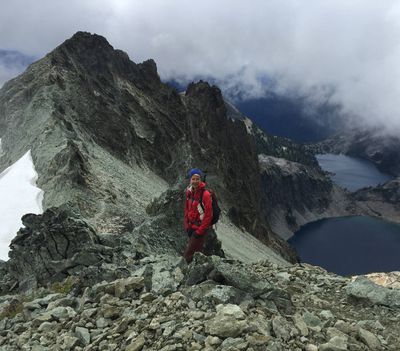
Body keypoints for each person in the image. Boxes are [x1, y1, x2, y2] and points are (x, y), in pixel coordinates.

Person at [183, 168, 218, 263]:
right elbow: (187, 210)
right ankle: (195, 271)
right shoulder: (189, 192)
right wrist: (187, 226)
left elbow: (208, 215)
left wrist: (199, 231)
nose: (195, 181)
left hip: (200, 229)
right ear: (190, 180)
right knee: (195, 252)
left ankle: (186, 273)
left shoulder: (205, 194)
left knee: (188, 255)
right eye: (193, 179)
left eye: (197, 179)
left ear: (200, 180)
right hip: (191, 227)